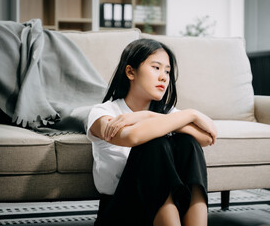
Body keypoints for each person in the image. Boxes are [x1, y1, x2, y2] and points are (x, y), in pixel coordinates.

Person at [87, 38, 217, 226]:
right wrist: (187, 117)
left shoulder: (167, 113)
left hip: (169, 211)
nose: (164, 77)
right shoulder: (104, 113)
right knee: (155, 143)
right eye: (156, 68)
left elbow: (207, 137)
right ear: (131, 72)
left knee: (188, 142)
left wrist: (147, 115)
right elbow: (132, 137)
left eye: (167, 71)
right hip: (123, 213)